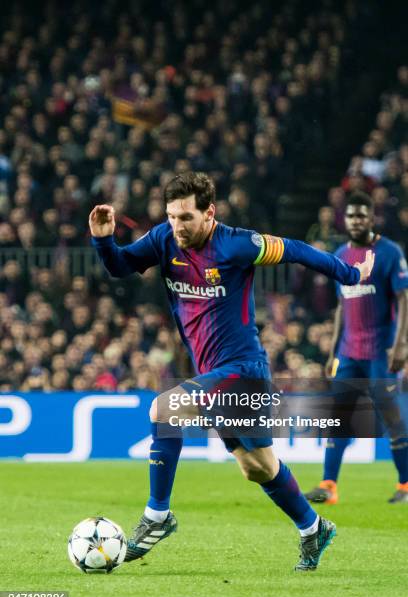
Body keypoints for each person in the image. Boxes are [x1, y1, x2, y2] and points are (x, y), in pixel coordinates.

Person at [89, 172, 374, 571]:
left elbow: (295, 250)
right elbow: (120, 267)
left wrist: (349, 273)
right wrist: (103, 239)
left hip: (243, 368)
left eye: (186, 217)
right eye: (171, 216)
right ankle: (313, 528)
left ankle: (157, 516)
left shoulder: (239, 244)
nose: (177, 226)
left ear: (210, 212)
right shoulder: (162, 240)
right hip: (212, 370)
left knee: (164, 411)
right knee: (257, 467)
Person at [305, 191, 408, 505]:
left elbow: (404, 299)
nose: (356, 220)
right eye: (351, 215)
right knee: (339, 417)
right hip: (349, 353)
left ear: (372, 217)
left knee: (391, 418)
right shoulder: (340, 254)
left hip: (381, 351)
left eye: (362, 215)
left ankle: (405, 485)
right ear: (345, 219)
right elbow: (341, 305)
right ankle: (328, 485)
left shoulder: (390, 252)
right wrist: (332, 350)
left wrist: (401, 345)